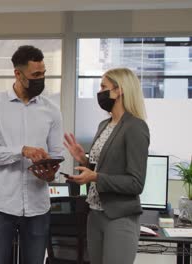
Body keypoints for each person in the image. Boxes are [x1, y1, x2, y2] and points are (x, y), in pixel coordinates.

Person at [0, 45, 64, 264]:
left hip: (38, 206)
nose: (41, 79)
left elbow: (57, 155)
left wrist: (49, 172)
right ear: (17, 73)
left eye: (43, 73)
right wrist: (21, 151)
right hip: (1, 205)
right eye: (35, 75)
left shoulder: (52, 110)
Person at [64, 68, 149, 264]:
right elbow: (104, 168)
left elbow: (136, 183)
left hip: (119, 216)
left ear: (119, 90)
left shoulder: (135, 127)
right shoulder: (104, 125)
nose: (100, 92)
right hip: (95, 213)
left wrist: (95, 177)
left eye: (104, 87)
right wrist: (84, 160)